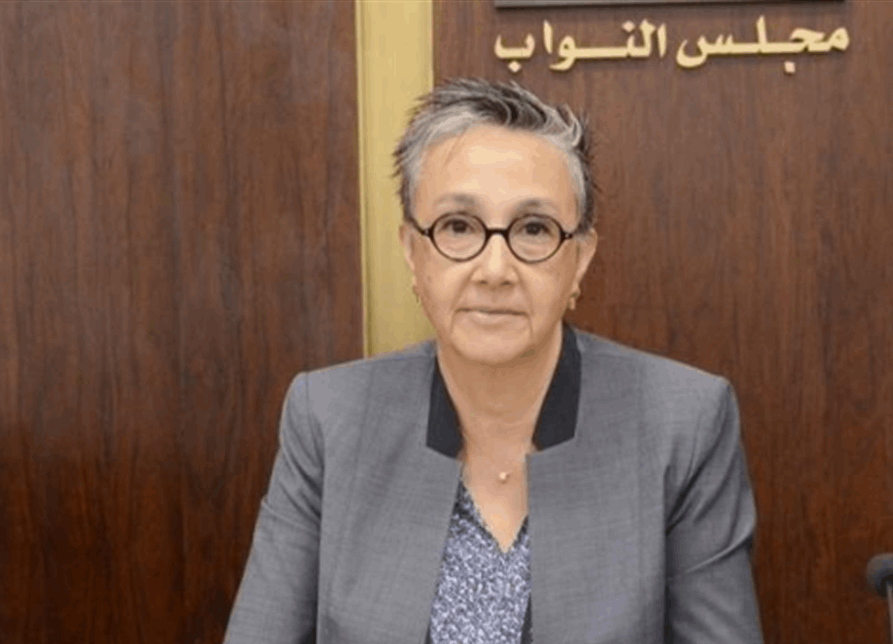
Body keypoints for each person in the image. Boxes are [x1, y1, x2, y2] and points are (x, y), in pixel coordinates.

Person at [224, 79, 762, 644]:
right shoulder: (328, 417)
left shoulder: (683, 423)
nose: (495, 270)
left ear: (580, 259)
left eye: (534, 229)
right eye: (458, 227)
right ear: (412, 251)